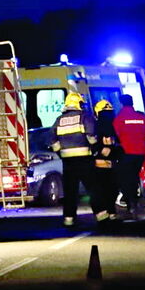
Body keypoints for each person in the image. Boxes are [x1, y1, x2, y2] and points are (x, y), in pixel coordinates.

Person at [49, 91, 98, 227]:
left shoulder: (59, 120)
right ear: (78, 103)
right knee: (93, 189)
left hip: (68, 162)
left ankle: (69, 219)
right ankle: (102, 217)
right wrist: (94, 150)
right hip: (84, 160)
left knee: (70, 192)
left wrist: (61, 153)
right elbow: (91, 137)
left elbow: (52, 140)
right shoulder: (84, 117)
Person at [113, 93, 145, 219]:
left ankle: (131, 203)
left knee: (126, 179)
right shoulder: (141, 117)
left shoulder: (119, 118)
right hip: (139, 154)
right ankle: (134, 202)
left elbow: (115, 136)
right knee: (134, 177)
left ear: (121, 103)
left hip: (125, 153)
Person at [92, 99, 122, 226]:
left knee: (107, 190)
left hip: (106, 165)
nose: (107, 117)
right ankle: (108, 213)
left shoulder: (101, 127)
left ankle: (108, 213)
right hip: (105, 165)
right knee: (107, 190)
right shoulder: (106, 127)